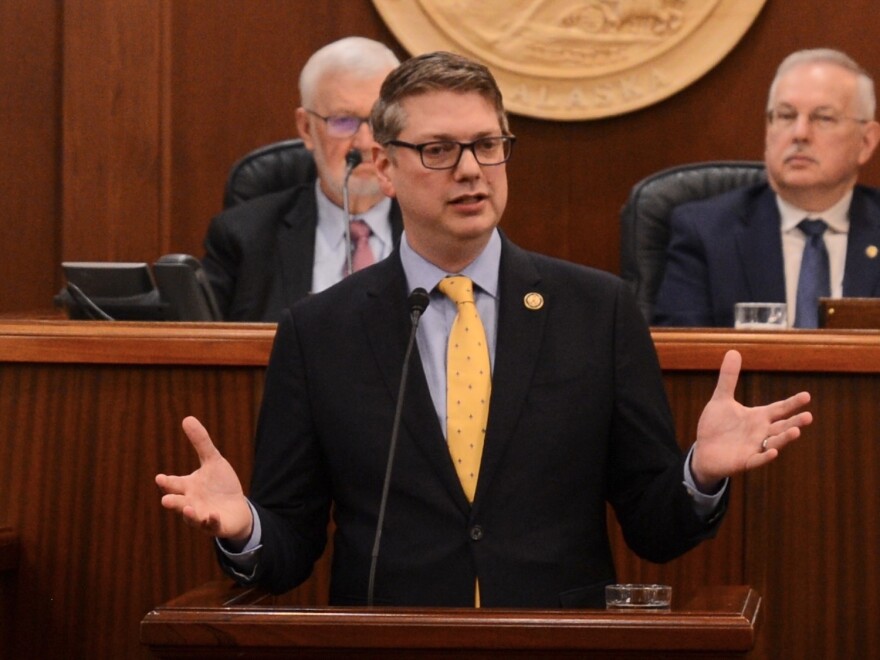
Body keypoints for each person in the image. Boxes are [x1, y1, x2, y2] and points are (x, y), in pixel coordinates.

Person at [157, 51, 813, 608]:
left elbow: (653, 528)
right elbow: (292, 547)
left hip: (557, 647)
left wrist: (699, 473)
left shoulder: (598, 310)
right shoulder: (319, 330)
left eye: (488, 144)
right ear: (384, 169)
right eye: (439, 149)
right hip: (389, 648)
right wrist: (245, 527)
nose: (471, 168)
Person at [654, 48, 880, 328]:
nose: (799, 133)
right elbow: (682, 359)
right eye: (785, 116)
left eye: (823, 118)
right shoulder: (707, 233)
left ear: (866, 142)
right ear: (768, 129)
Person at [203, 36, 403, 322]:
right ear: (307, 128)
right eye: (343, 121)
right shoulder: (243, 238)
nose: (364, 142)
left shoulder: (438, 231)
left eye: (380, 121)